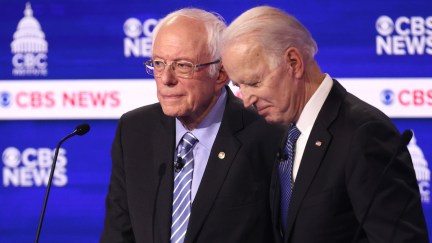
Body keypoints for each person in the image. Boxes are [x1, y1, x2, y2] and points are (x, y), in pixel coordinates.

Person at [221, 6, 429, 243]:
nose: (246, 100)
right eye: (239, 86)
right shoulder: (285, 133)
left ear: (293, 62)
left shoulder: (363, 133)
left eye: (254, 83)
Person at [100, 8, 284, 243]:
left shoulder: (268, 134)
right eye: (158, 63)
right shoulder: (135, 130)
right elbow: (118, 233)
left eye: (183, 66)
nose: (166, 79)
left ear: (220, 73)